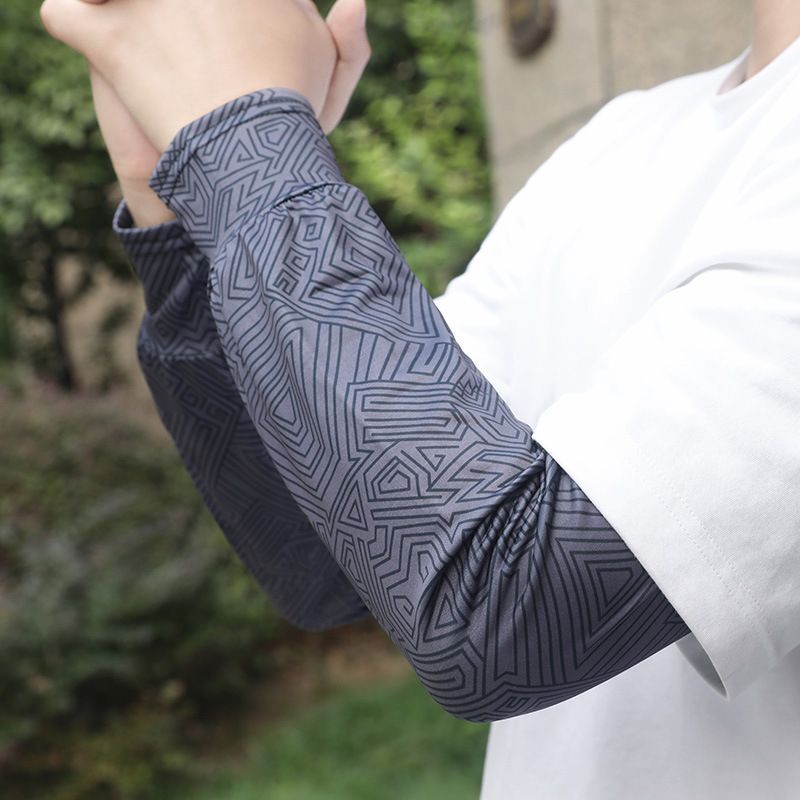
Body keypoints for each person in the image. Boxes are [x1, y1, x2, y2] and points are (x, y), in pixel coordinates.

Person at [39, 0, 800, 797]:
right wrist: (182, 214)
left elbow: (504, 617)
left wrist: (248, 144)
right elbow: (334, 556)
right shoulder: (626, 140)